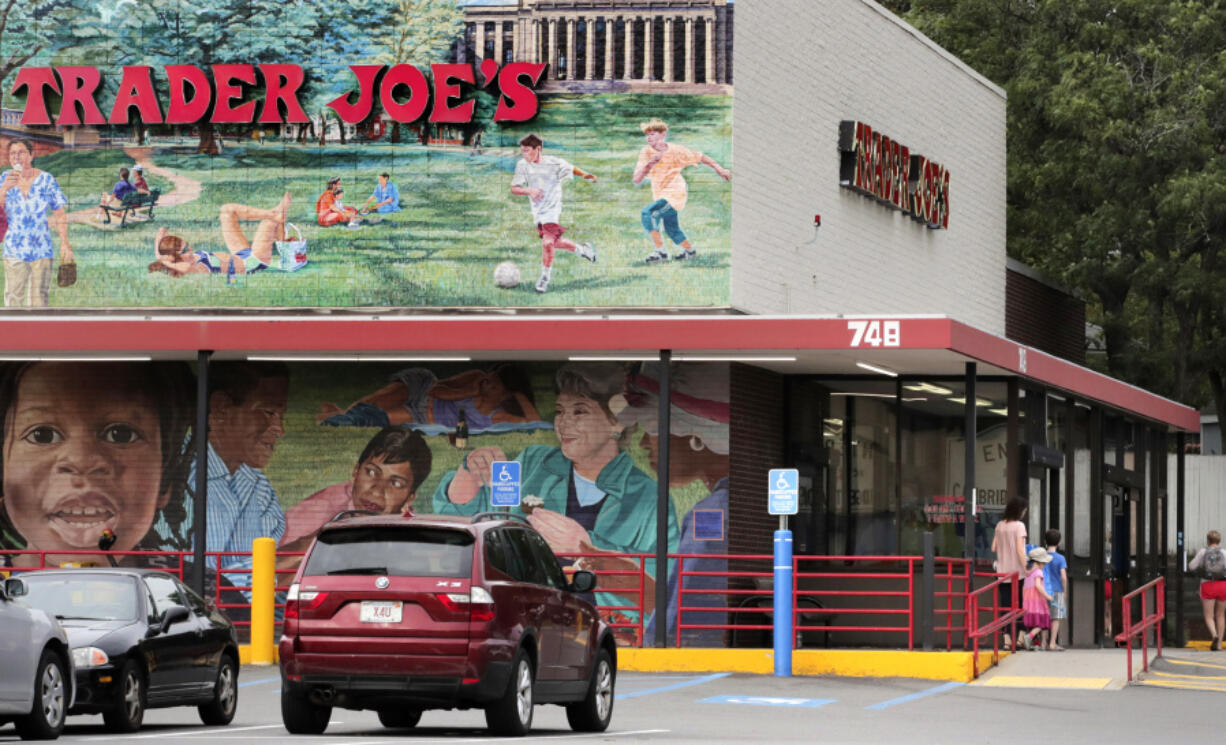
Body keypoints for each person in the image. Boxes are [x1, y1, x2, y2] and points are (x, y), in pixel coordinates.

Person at [433, 363, 678, 626]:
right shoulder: (533, 462)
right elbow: (464, 516)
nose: (563, 423)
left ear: (616, 423)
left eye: (580, 411)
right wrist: (470, 472)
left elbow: (663, 591)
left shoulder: (649, 499)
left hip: (605, 626)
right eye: (560, 411)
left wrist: (585, 549)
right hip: (530, 618)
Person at [0, 361, 195, 568]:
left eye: (121, 434)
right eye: (43, 435)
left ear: (164, 481)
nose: (80, 460)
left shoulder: (192, 589)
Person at [619, 362, 730, 646]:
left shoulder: (710, 514)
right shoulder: (729, 504)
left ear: (697, 436)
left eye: (653, 428)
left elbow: (690, 592)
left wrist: (657, 641)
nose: (644, 443)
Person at [157, 362, 290, 595]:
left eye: (280, 416)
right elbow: (195, 585)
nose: (280, 429)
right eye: (268, 412)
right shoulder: (172, 481)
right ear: (220, 409)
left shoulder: (262, 491)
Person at [279, 427, 432, 569]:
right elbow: (265, 576)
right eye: (371, 473)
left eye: (396, 483)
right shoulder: (317, 511)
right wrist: (316, 543)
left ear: (409, 499)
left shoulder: (411, 530)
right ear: (355, 472)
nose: (377, 491)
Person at [317, 365, 541, 429]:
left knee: (373, 418)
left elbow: (534, 422)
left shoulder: (497, 416)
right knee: (373, 401)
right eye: (490, 378)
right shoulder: (476, 377)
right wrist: (471, 391)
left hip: (422, 415)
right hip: (422, 389)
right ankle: (340, 411)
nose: (487, 384)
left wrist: (520, 394)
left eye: (494, 385)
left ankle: (337, 415)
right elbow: (436, 389)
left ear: (504, 395)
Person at [632, 118, 731, 263]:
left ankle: (660, 252)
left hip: (675, 193)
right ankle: (690, 251)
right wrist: (650, 164)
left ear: (663, 134)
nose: (649, 138)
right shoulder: (646, 152)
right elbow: (636, 179)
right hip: (660, 194)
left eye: (652, 134)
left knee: (648, 213)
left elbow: (701, 157)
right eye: (647, 135)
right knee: (671, 228)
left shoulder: (676, 150)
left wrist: (720, 169)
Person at [509, 133, 598, 294]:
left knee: (548, 243)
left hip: (552, 211)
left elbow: (571, 168)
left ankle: (545, 278)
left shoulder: (554, 163)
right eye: (523, 151)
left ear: (538, 149)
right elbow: (515, 188)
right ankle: (584, 251)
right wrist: (530, 190)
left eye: (528, 150)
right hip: (538, 213)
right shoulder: (522, 165)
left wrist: (585, 175)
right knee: (555, 243)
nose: (525, 154)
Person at [149, 193, 291, 278]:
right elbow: (168, 263)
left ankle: (275, 217)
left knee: (227, 210)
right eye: (185, 250)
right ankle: (277, 221)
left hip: (241, 254)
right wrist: (162, 259)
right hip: (253, 263)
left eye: (188, 245)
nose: (191, 249)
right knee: (268, 223)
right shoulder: (188, 268)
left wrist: (159, 253)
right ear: (174, 257)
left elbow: (161, 230)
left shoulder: (182, 259)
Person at [1, 138, 72, 307]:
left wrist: (64, 243)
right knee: (13, 299)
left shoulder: (46, 179)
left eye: (21, 153)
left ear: (31, 155)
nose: (17, 157)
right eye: (13, 154)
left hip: (41, 248)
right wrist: (3, 190)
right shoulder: (4, 178)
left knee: (39, 301)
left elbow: (60, 214)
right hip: (13, 248)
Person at [990, 496, 1028, 649]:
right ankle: (1019, 639)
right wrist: (1027, 567)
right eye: (1024, 510)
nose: (1024, 513)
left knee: (1005, 606)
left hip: (1002, 573)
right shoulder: (1019, 526)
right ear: (1020, 511)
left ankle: (1006, 640)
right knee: (1022, 605)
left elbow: (993, 547)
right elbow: (1020, 550)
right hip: (1018, 573)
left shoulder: (999, 525)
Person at [1189, 529, 1226, 650]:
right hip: (1222, 585)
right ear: (1219, 541)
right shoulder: (1224, 552)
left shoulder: (1203, 552)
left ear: (1208, 540)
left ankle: (1214, 635)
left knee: (1209, 616)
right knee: (1220, 615)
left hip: (1207, 585)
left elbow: (1191, 566)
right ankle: (1219, 644)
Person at [1019, 547, 1054, 650]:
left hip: (1028, 602)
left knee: (1034, 623)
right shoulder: (1038, 572)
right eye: (1044, 562)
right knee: (1041, 623)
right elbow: (1038, 586)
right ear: (1039, 562)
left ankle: (1032, 641)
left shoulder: (1028, 573)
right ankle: (1029, 637)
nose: (1045, 565)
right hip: (1038, 602)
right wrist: (1047, 596)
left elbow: (1023, 588)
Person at [1043, 528, 1068, 651]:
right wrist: (1065, 591)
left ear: (1045, 541)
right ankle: (1052, 643)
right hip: (1057, 590)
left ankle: (1043, 642)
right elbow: (1063, 577)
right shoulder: (1060, 558)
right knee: (1056, 618)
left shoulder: (1042, 557)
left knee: (1044, 616)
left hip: (1043, 590)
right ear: (1059, 543)